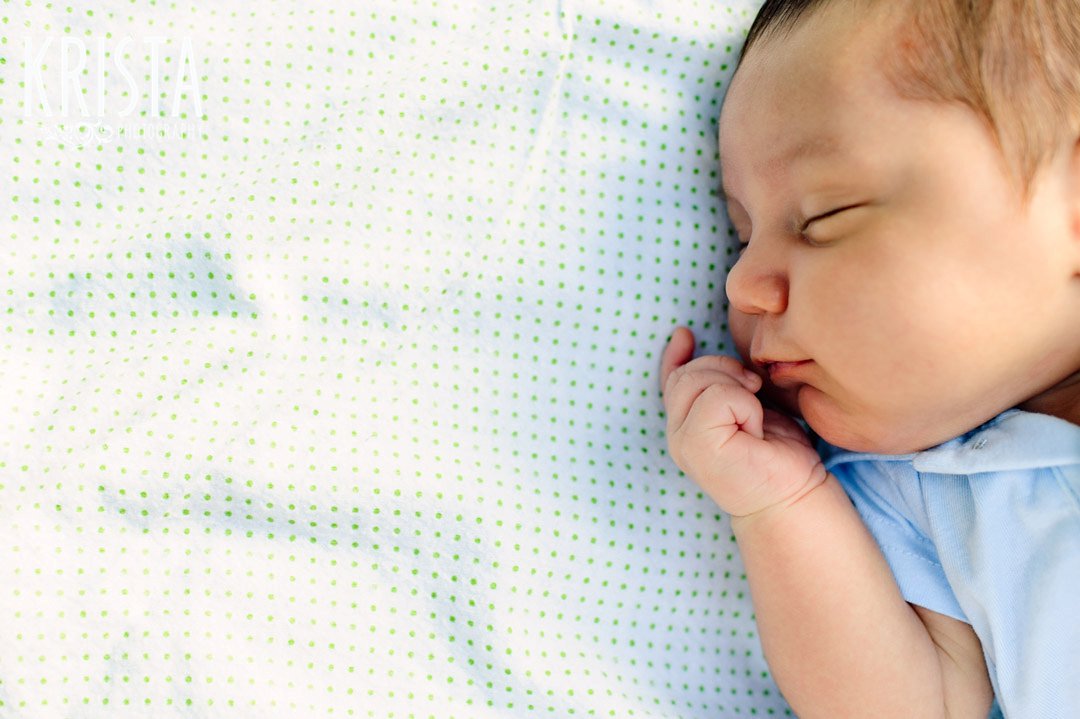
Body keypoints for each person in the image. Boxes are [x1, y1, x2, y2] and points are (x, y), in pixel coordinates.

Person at [658, 0, 1080, 716]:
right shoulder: (924, 492)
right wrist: (780, 504)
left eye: (824, 218)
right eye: (741, 235)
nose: (740, 284)